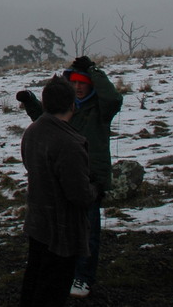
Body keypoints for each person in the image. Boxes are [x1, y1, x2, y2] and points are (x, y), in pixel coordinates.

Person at [17, 56, 123, 298]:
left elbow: (114, 98)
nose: (77, 87)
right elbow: (44, 117)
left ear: (91, 84)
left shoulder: (100, 108)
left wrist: (94, 70)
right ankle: (61, 275)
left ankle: (83, 277)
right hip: (61, 182)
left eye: (82, 82)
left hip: (89, 180)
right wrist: (31, 101)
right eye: (73, 82)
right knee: (61, 235)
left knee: (88, 233)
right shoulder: (63, 108)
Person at [19, 76, 97, 307]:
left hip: (38, 222)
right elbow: (79, 195)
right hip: (62, 230)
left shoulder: (32, 131)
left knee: (34, 280)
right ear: (72, 104)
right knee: (52, 289)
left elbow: (30, 166)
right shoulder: (69, 143)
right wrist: (96, 189)